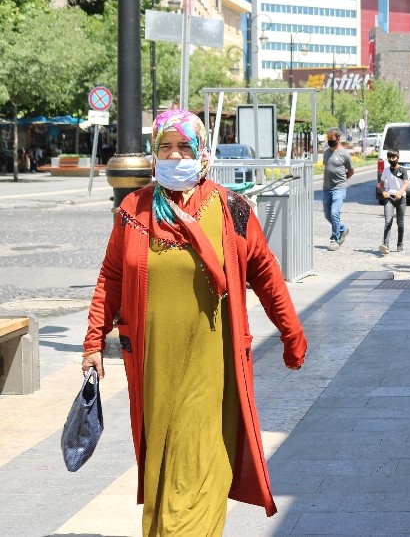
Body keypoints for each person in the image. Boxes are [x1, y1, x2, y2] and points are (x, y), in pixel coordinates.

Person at [81, 110, 308, 534]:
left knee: (199, 463)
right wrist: (93, 341)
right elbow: (111, 276)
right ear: (154, 152)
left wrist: (291, 333)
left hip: (211, 363)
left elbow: (265, 273)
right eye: (165, 147)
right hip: (153, 364)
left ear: (202, 151)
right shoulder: (134, 209)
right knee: (162, 465)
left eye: (184, 146)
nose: (174, 155)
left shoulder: (231, 209)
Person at [322, 128, 354, 251]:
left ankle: (334, 239)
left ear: (338, 139)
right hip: (326, 188)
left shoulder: (344, 153)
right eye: (328, 139)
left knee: (335, 213)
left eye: (332, 139)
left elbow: (351, 171)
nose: (330, 141)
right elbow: (327, 167)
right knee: (327, 215)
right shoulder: (326, 152)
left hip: (339, 188)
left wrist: (343, 180)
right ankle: (343, 229)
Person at [377, 149, 409, 254]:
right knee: (388, 221)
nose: (391, 159)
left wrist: (400, 192)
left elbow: (406, 183)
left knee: (400, 223)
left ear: (398, 157)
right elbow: (381, 184)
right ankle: (385, 245)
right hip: (389, 198)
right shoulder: (386, 170)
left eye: (393, 157)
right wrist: (383, 192)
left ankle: (400, 244)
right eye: (389, 157)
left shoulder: (403, 170)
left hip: (401, 198)